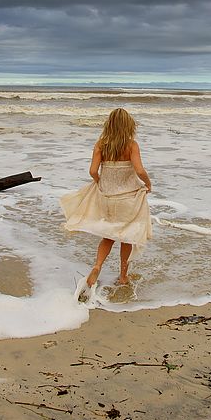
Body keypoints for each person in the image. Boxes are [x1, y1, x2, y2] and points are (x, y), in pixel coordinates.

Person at [59, 108, 152, 294]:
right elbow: (140, 170)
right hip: (128, 198)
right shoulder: (131, 145)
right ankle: (123, 276)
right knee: (127, 237)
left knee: (108, 236)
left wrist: (100, 182)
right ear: (129, 125)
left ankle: (97, 267)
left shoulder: (101, 144)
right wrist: (148, 184)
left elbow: (93, 171)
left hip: (106, 197)